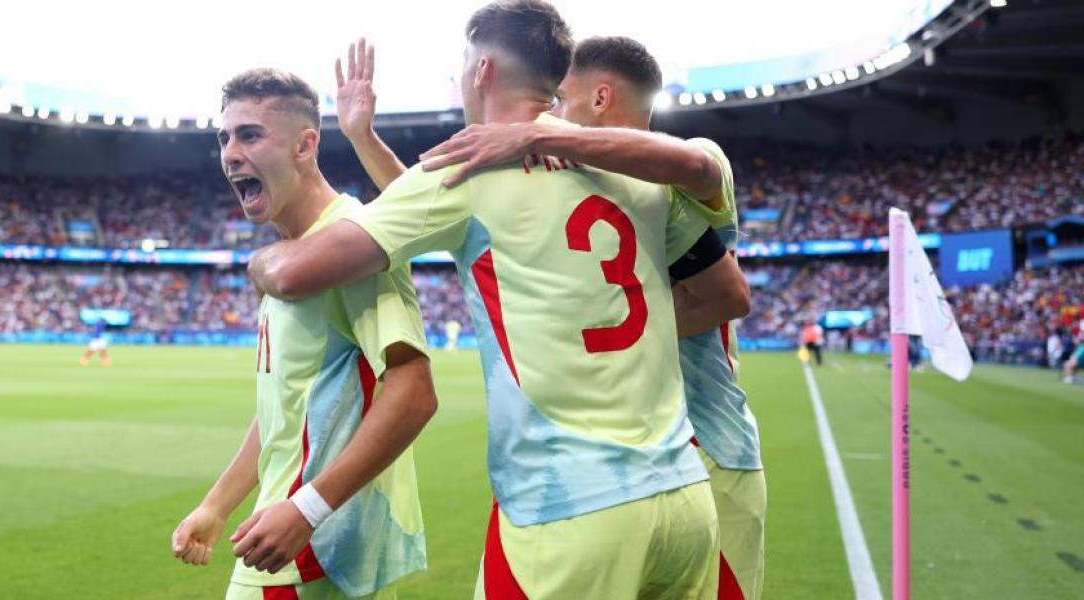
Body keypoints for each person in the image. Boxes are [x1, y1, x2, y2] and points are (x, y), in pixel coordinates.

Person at [247, 3, 749, 597]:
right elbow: (725, 292)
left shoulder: (468, 168)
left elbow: (296, 273)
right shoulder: (631, 163)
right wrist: (363, 137)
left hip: (567, 511)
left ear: (482, 69)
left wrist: (260, 259)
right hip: (685, 503)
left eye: (463, 64)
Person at [170, 69, 437, 600]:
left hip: (304, 548)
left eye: (249, 135)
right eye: (224, 138)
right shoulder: (295, 253)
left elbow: (414, 390)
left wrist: (306, 508)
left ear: (305, 144)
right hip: (294, 535)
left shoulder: (350, 244)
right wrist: (217, 504)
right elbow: (284, 406)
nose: (229, 153)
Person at [547, 36, 765, 600]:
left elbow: (695, 168)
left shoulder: (695, 156)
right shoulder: (590, 192)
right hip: (630, 465)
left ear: (600, 98)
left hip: (710, 444)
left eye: (560, 99)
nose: (553, 114)